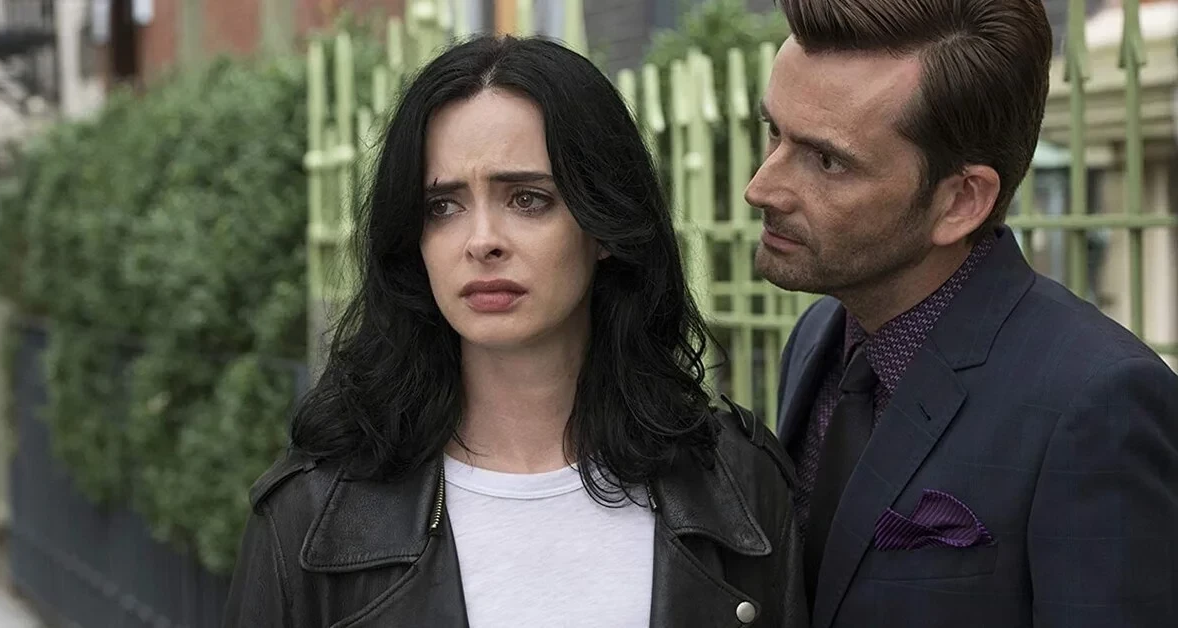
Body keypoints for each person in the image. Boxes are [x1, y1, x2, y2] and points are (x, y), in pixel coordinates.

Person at [224, 35, 808, 628]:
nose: (482, 241)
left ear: (604, 226)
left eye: (528, 199)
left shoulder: (738, 485)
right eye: (443, 206)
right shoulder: (310, 515)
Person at [748, 1, 1178, 627]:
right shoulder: (819, 337)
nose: (761, 187)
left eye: (827, 161)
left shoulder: (1098, 402)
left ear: (961, 202)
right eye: (774, 132)